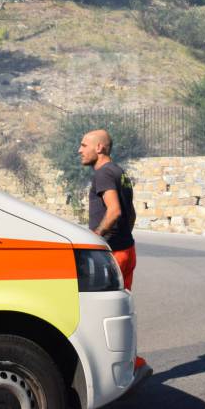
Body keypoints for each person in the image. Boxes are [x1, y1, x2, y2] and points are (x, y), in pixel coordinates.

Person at [78, 129, 152, 386]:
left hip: (115, 255)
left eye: (84, 145)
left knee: (97, 314)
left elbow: (115, 211)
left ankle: (110, 373)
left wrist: (96, 238)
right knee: (121, 310)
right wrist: (123, 239)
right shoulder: (120, 173)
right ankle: (133, 364)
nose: (80, 149)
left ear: (99, 148)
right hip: (127, 250)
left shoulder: (103, 174)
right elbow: (130, 215)